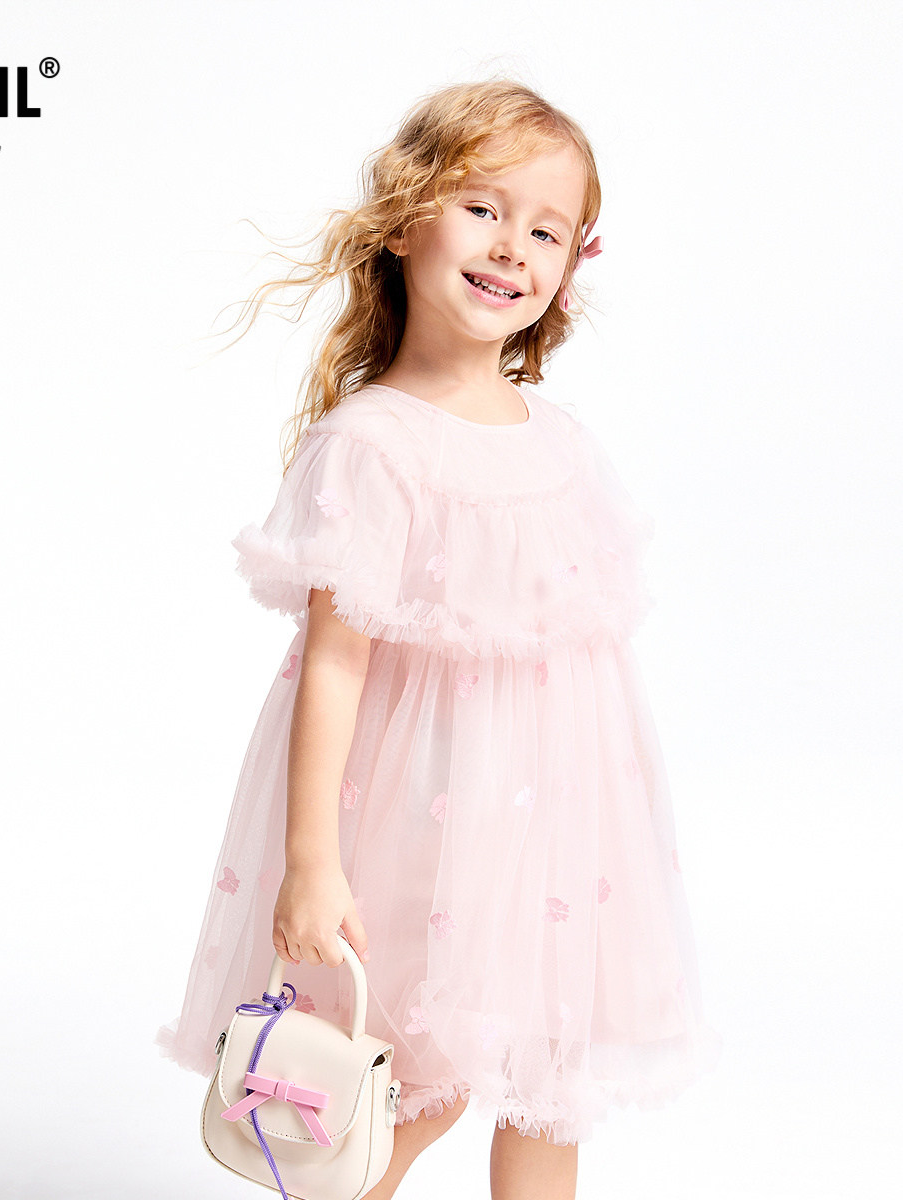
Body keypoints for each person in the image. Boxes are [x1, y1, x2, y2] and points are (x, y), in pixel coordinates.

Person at [157, 77, 722, 1199]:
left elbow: (577, 666)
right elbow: (335, 661)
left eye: (547, 229)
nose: (513, 245)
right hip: (426, 824)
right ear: (407, 218)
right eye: (484, 208)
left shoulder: (559, 442)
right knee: (414, 1090)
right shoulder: (376, 444)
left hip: (556, 836)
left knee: (547, 1081)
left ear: (570, 265)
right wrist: (311, 862)